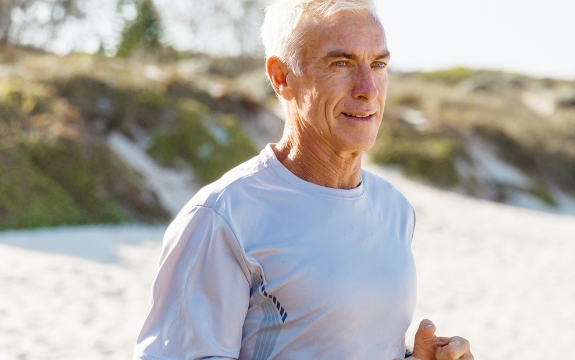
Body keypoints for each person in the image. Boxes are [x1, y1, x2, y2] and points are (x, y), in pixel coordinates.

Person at [133, 0, 473, 359]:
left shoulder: (395, 210)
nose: (368, 88)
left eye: (378, 64)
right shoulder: (223, 217)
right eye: (340, 63)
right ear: (281, 77)